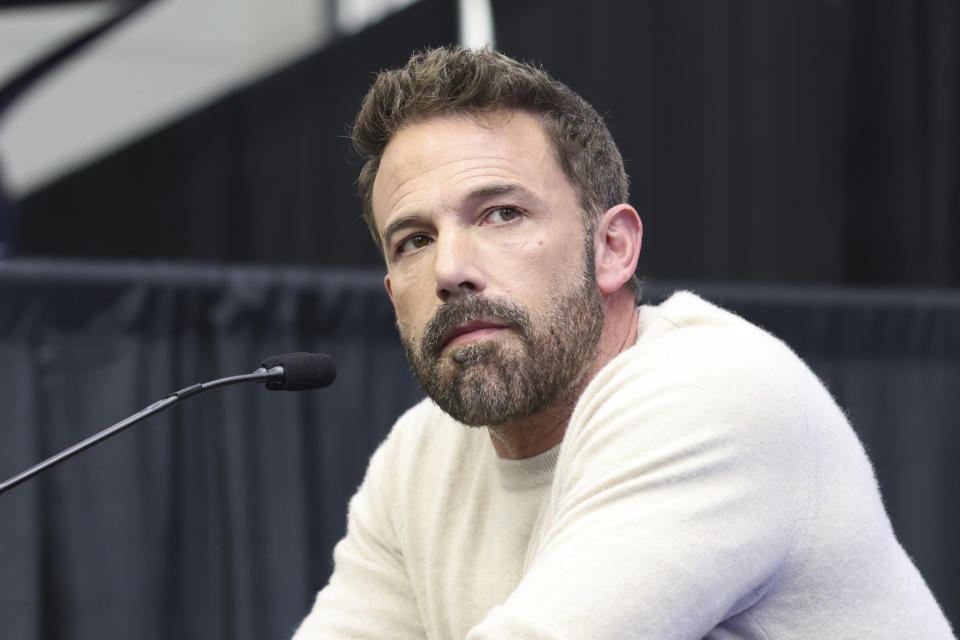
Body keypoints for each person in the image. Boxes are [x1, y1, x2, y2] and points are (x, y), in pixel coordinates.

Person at [293, 47, 953, 639]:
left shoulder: (713, 395)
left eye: (501, 214)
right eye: (414, 240)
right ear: (391, 294)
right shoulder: (418, 458)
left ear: (612, 249)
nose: (448, 269)